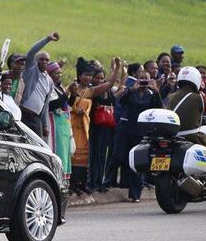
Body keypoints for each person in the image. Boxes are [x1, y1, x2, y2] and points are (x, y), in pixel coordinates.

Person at [67, 57, 120, 194]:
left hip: (85, 128)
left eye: (90, 75)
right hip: (71, 127)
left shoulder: (90, 91)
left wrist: (117, 68)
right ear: (79, 76)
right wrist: (74, 109)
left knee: (83, 158)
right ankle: (70, 184)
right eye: (86, 75)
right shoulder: (72, 88)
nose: (89, 78)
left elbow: (109, 84)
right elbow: (64, 104)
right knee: (72, 154)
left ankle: (81, 184)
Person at [113, 71, 162, 202]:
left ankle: (135, 193)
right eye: (141, 79)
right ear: (137, 80)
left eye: (146, 79)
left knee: (137, 161)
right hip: (126, 130)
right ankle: (112, 182)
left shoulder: (151, 94)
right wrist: (131, 89)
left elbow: (158, 108)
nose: (143, 81)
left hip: (140, 132)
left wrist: (156, 91)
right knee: (119, 156)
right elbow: (121, 101)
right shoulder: (132, 92)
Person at [166, 66, 206, 178]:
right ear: (197, 80)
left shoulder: (171, 96)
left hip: (172, 137)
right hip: (192, 136)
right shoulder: (199, 98)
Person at [19, 32, 60, 138]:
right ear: (36, 61)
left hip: (36, 118)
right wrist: (47, 39)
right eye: (41, 59)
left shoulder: (49, 81)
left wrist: (45, 124)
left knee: (37, 146)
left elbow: (45, 105)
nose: (45, 62)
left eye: (47, 60)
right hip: (24, 114)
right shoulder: (31, 71)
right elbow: (31, 53)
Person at [89, 68, 117, 192]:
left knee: (102, 155)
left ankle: (100, 182)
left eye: (102, 78)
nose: (99, 80)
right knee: (94, 155)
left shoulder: (108, 92)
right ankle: (93, 182)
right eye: (97, 78)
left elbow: (111, 102)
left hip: (105, 126)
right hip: (93, 126)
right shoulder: (92, 90)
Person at [46, 62, 72, 183]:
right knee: (58, 152)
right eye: (56, 73)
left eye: (60, 72)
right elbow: (53, 104)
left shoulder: (59, 87)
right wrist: (67, 93)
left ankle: (64, 183)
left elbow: (67, 104)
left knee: (65, 154)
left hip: (64, 125)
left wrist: (73, 93)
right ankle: (57, 181)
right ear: (49, 74)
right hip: (54, 125)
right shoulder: (49, 87)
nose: (59, 75)